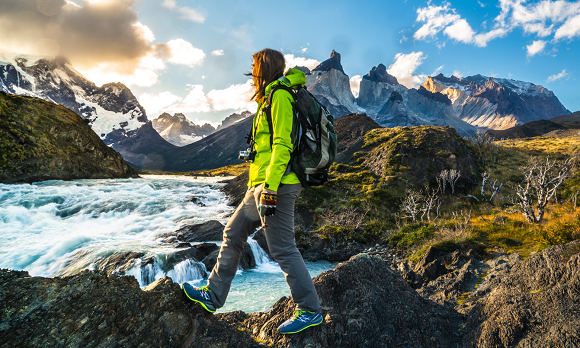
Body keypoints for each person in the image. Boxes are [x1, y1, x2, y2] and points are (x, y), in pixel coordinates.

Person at [182, 48, 323, 334]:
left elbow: (283, 145)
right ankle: (213, 295)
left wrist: (270, 188)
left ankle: (310, 310)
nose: (252, 73)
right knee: (233, 234)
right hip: (259, 185)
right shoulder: (270, 97)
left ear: (265, 68)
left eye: (255, 67)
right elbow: (268, 146)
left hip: (277, 185)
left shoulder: (281, 96)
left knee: (282, 247)